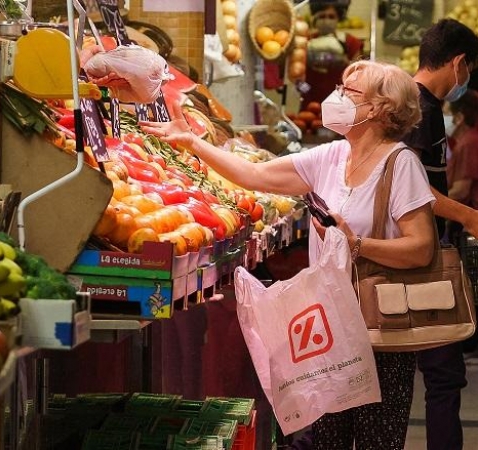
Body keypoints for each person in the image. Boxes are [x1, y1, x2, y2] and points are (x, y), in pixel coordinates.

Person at [141, 60, 435, 449]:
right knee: (327, 439)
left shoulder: (401, 165)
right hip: (327, 331)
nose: (337, 97)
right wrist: (194, 142)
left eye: (350, 92)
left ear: (379, 108)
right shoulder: (330, 157)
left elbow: (421, 248)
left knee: (375, 441)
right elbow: (253, 175)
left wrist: (357, 245)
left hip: (378, 332)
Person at [402, 19, 478, 450]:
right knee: (445, 378)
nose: (465, 81)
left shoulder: (417, 105)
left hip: (418, 257)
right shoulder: (422, 110)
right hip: (421, 261)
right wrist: (467, 216)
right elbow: (413, 189)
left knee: (439, 376)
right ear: (459, 63)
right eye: (468, 71)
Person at [302, 0, 363, 110]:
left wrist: (345, 63)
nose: (326, 20)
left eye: (331, 16)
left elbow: (357, 78)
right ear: (315, 18)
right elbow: (296, 78)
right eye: (322, 16)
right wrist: (304, 90)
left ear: (338, 18)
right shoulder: (305, 42)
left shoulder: (351, 42)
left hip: (340, 104)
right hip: (310, 105)